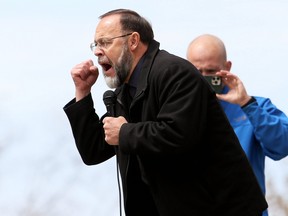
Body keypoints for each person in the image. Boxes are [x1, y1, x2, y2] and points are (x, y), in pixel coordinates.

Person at [63, 9, 268, 216]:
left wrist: (125, 132)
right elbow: (94, 151)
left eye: (105, 42)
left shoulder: (175, 72)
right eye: (95, 45)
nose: (97, 51)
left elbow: (179, 135)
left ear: (133, 41)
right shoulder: (123, 92)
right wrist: (82, 92)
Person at [186, 34, 288, 216]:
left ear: (226, 68)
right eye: (196, 70)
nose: (202, 78)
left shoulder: (255, 107)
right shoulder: (175, 110)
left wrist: (247, 105)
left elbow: (282, 146)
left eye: (210, 71)